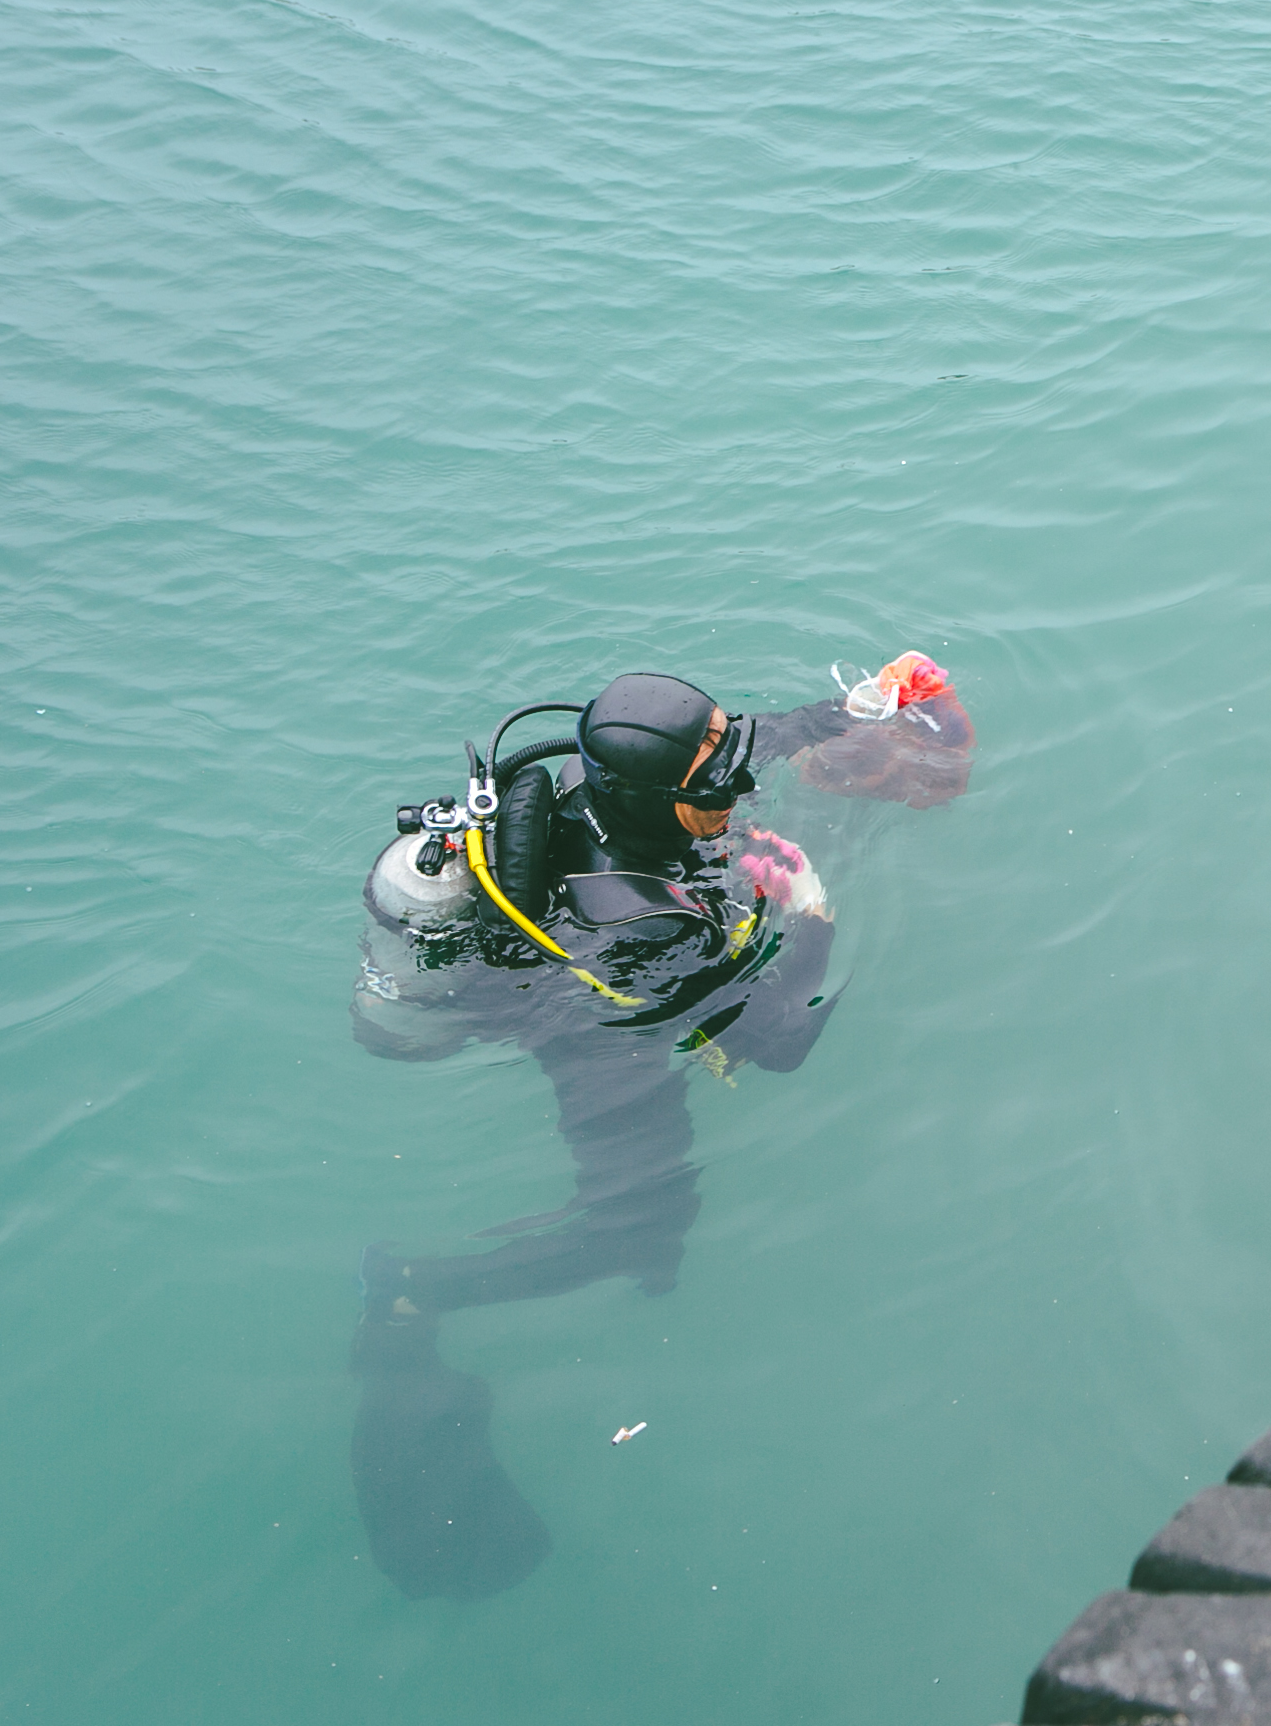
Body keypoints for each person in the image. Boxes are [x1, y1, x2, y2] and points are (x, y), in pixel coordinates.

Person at [345, 654, 973, 1599]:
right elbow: (779, 1039)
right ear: (661, 800)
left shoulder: (620, 782)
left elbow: (749, 744)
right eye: (712, 782)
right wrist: (811, 919)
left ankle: (561, 1275)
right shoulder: (640, 922)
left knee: (648, 1242)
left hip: (570, 949)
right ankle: (409, 1289)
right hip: (584, 1020)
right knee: (638, 1227)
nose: (733, 782)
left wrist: (861, 708)